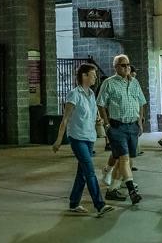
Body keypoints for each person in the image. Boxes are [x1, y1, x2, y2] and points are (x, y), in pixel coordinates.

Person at [52, 63, 115, 217]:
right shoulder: (74, 94)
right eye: (93, 75)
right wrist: (59, 139)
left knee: (82, 173)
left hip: (89, 137)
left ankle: (74, 203)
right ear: (84, 76)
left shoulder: (91, 94)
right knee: (90, 171)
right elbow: (65, 119)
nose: (95, 77)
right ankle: (99, 205)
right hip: (77, 138)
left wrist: (97, 121)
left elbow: (92, 114)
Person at [96, 54, 146, 205]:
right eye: (123, 65)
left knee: (128, 160)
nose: (127, 68)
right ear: (116, 67)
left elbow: (141, 102)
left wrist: (140, 122)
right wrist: (106, 124)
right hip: (117, 126)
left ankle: (112, 190)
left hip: (132, 125)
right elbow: (101, 104)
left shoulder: (135, 82)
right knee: (123, 158)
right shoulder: (109, 83)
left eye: (128, 65)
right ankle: (132, 190)